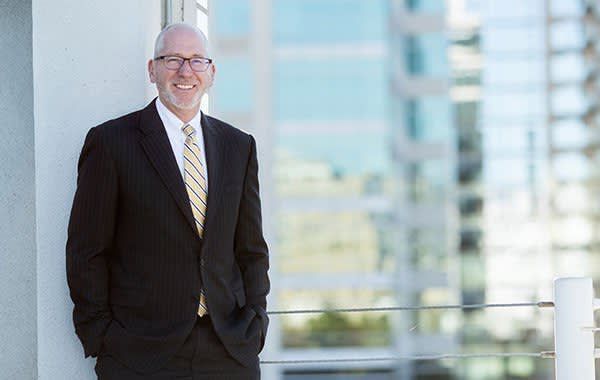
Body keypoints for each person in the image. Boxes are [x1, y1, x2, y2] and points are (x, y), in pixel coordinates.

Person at [66, 23, 269, 379]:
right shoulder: (111, 143)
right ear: (152, 69)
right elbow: (86, 252)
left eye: (196, 61)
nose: (185, 71)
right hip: (140, 352)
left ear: (211, 72)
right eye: (172, 59)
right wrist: (102, 336)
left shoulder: (239, 147)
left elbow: (251, 249)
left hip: (229, 349)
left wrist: (256, 321)